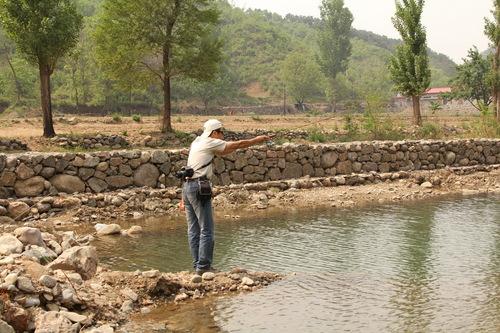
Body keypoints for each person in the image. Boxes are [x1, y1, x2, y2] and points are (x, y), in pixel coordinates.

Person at [179, 119, 270, 275]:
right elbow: (237, 145)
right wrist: (257, 140)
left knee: (193, 230)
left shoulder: (197, 141)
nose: (223, 135)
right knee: (206, 229)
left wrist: (182, 198)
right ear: (214, 132)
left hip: (187, 188)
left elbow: (225, 150)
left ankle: (198, 266)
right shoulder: (209, 142)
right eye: (221, 132)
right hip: (199, 188)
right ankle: (204, 267)